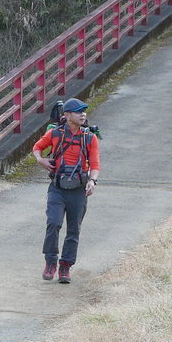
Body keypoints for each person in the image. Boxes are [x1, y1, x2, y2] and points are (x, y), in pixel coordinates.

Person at [32, 98, 100, 284]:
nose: (83, 114)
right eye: (78, 111)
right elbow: (37, 147)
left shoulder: (90, 137)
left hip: (79, 189)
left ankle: (65, 266)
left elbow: (95, 164)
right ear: (67, 115)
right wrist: (40, 160)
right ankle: (50, 262)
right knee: (53, 223)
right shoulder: (55, 134)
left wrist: (92, 181)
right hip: (57, 188)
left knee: (73, 229)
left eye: (84, 111)